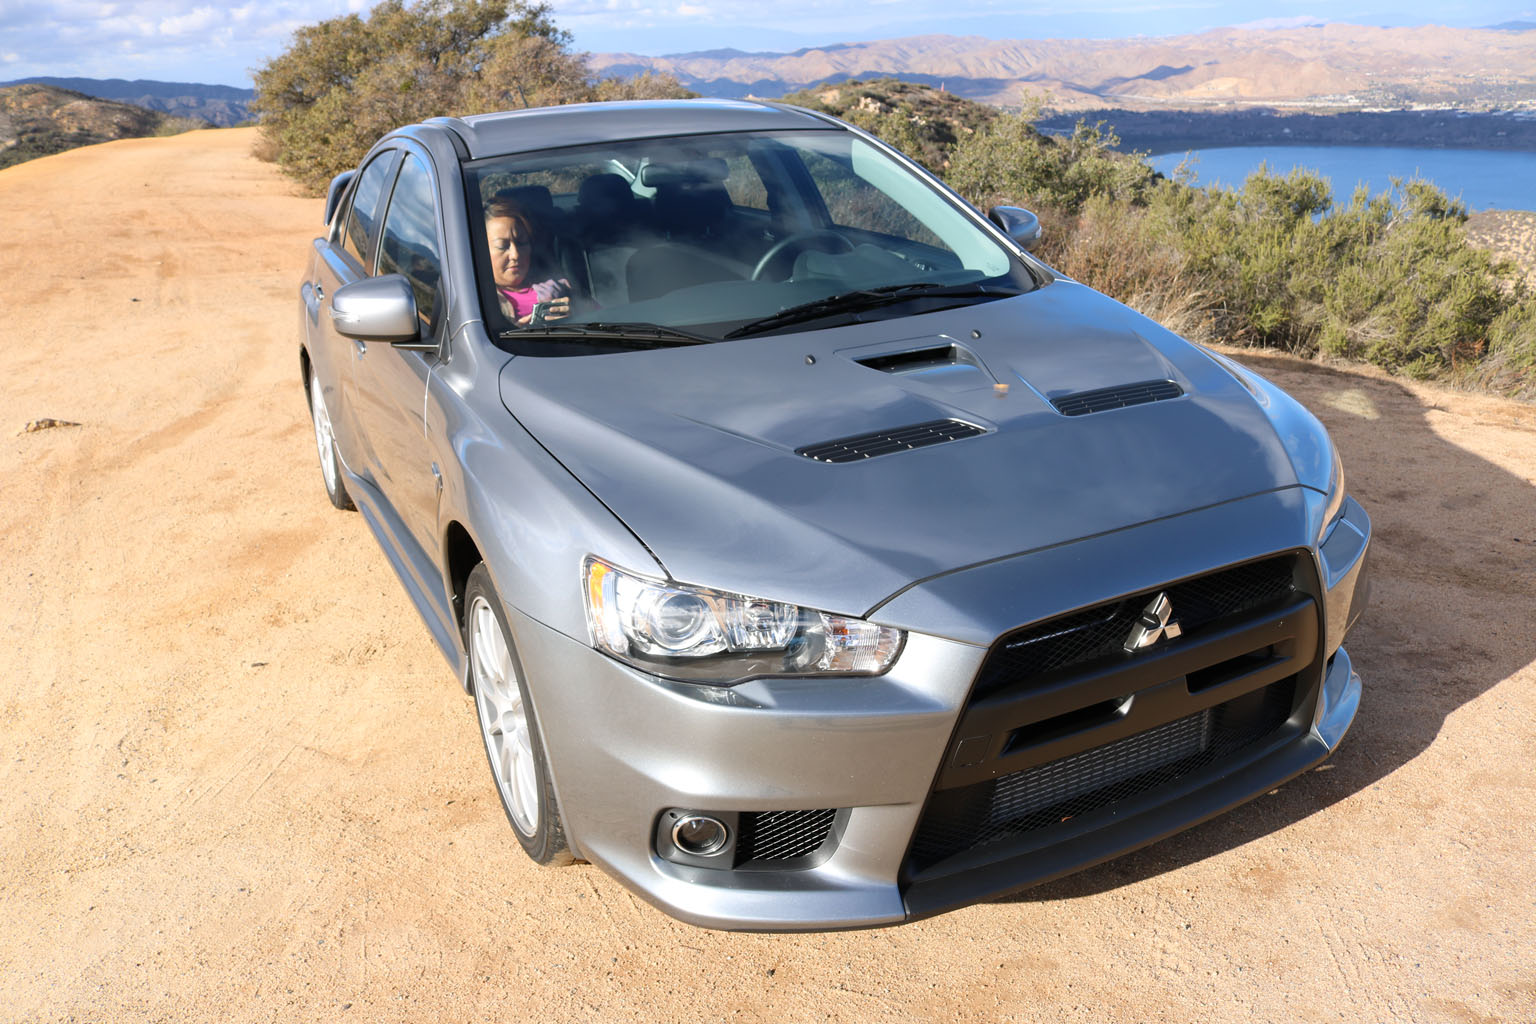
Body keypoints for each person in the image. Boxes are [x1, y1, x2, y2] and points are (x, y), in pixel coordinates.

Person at [484, 199, 571, 325]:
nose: (515, 255)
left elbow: (598, 319)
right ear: (482, 250)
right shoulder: (477, 303)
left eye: (522, 243)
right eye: (502, 246)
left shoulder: (559, 287)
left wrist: (576, 315)